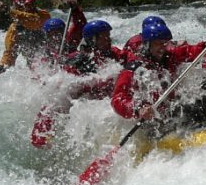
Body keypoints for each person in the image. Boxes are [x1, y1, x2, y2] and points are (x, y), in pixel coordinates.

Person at [30, 19, 132, 147]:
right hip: (84, 105)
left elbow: (129, 57)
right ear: (92, 40)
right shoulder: (78, 62)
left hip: (106, 103)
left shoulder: (115, 53)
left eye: (108, 36)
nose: (108, 39)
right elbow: (60, 96)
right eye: (103, 37)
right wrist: (42, 130)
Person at [110, 21, 206, 134]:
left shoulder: (169, 56)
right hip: (151, 120)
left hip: (170, 111)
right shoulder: (134, 68)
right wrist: (138, 109)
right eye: (158, 44)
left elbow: (188, 51)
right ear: (147, 44)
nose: (163, 47)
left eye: (165, 43)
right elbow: (117, 99)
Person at [0, 0, 51, 75]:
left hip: (48, 54)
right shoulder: (15, 29)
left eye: (32, 4)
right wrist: (0, 68)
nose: (31, 7)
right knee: (31, 66)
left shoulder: (43, 15)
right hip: (32, 59)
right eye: (27, 5)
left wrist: (8, 9)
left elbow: (32, 20)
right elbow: (9, 53)